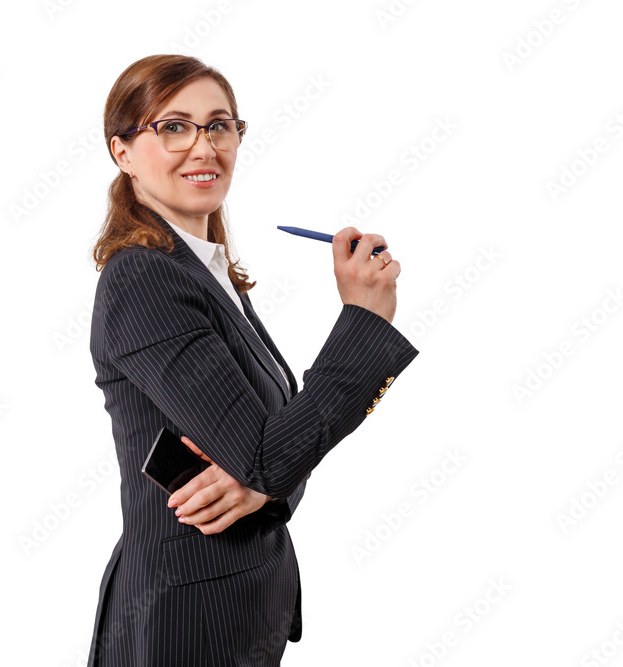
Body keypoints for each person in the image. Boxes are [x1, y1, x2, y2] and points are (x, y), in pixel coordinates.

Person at [86, 54, 420, 666]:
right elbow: (271, 455)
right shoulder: (145, 280)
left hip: (238, 617)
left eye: (220, 125)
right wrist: (364, 322)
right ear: (123, 151)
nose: (204, 146)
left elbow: (283, 448)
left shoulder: (209, 275)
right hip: (182, 629)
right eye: (173, 126)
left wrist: (266, 491)